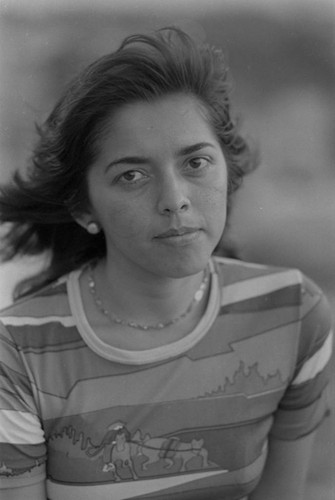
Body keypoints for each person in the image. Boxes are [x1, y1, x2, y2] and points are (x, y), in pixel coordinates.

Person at [0, 27, 332, 500]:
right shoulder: (17, 353)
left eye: (195, 163)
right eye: (131, 175)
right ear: (83, 208)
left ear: (228, 170)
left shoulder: (293, 314)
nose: (174, 200)